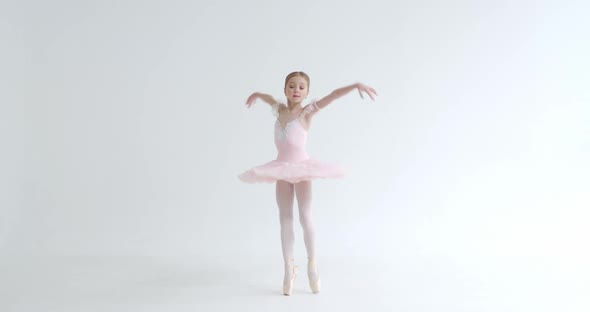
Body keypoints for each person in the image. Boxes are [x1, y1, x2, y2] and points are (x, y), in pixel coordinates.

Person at [238, 71, 377, 295]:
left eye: (301, 87)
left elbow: (332, 96)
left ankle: (312, 264)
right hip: (281, 168)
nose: (296, 90)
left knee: (305, 216)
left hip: (302, 168)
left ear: (307, 92)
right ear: (285, 90)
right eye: (291, 86)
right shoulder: (278, 109)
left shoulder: (307, 113)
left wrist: (355, 85)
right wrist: (256, 94)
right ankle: (288, 268)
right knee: (285, 218)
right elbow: (267, 98)